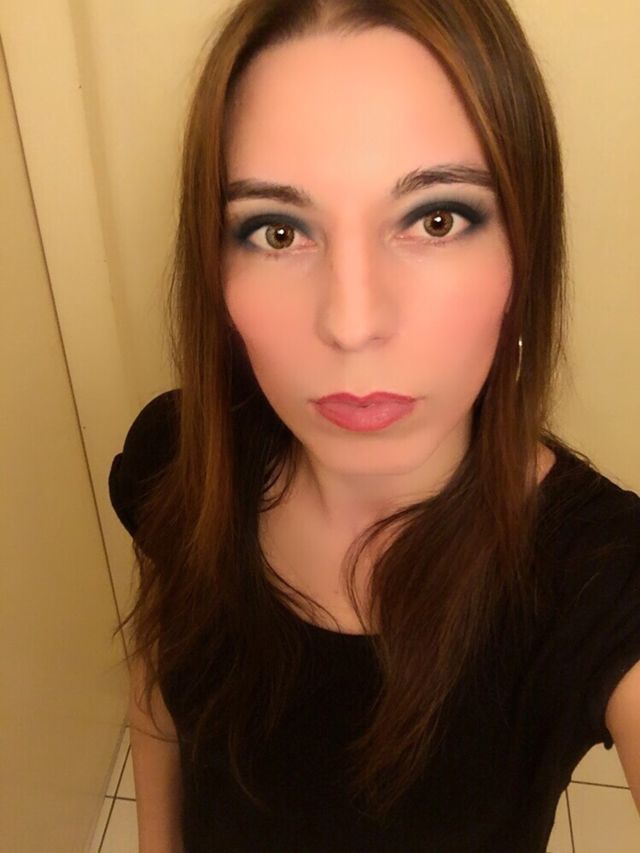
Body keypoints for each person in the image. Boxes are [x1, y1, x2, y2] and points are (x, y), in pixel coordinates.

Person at [108, 1, 640, 851]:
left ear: (524, 250)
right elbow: (160, 682)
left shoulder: (602, 574)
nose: (352, 323)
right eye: (278, 230)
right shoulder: (177, 455)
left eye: (436, 219)